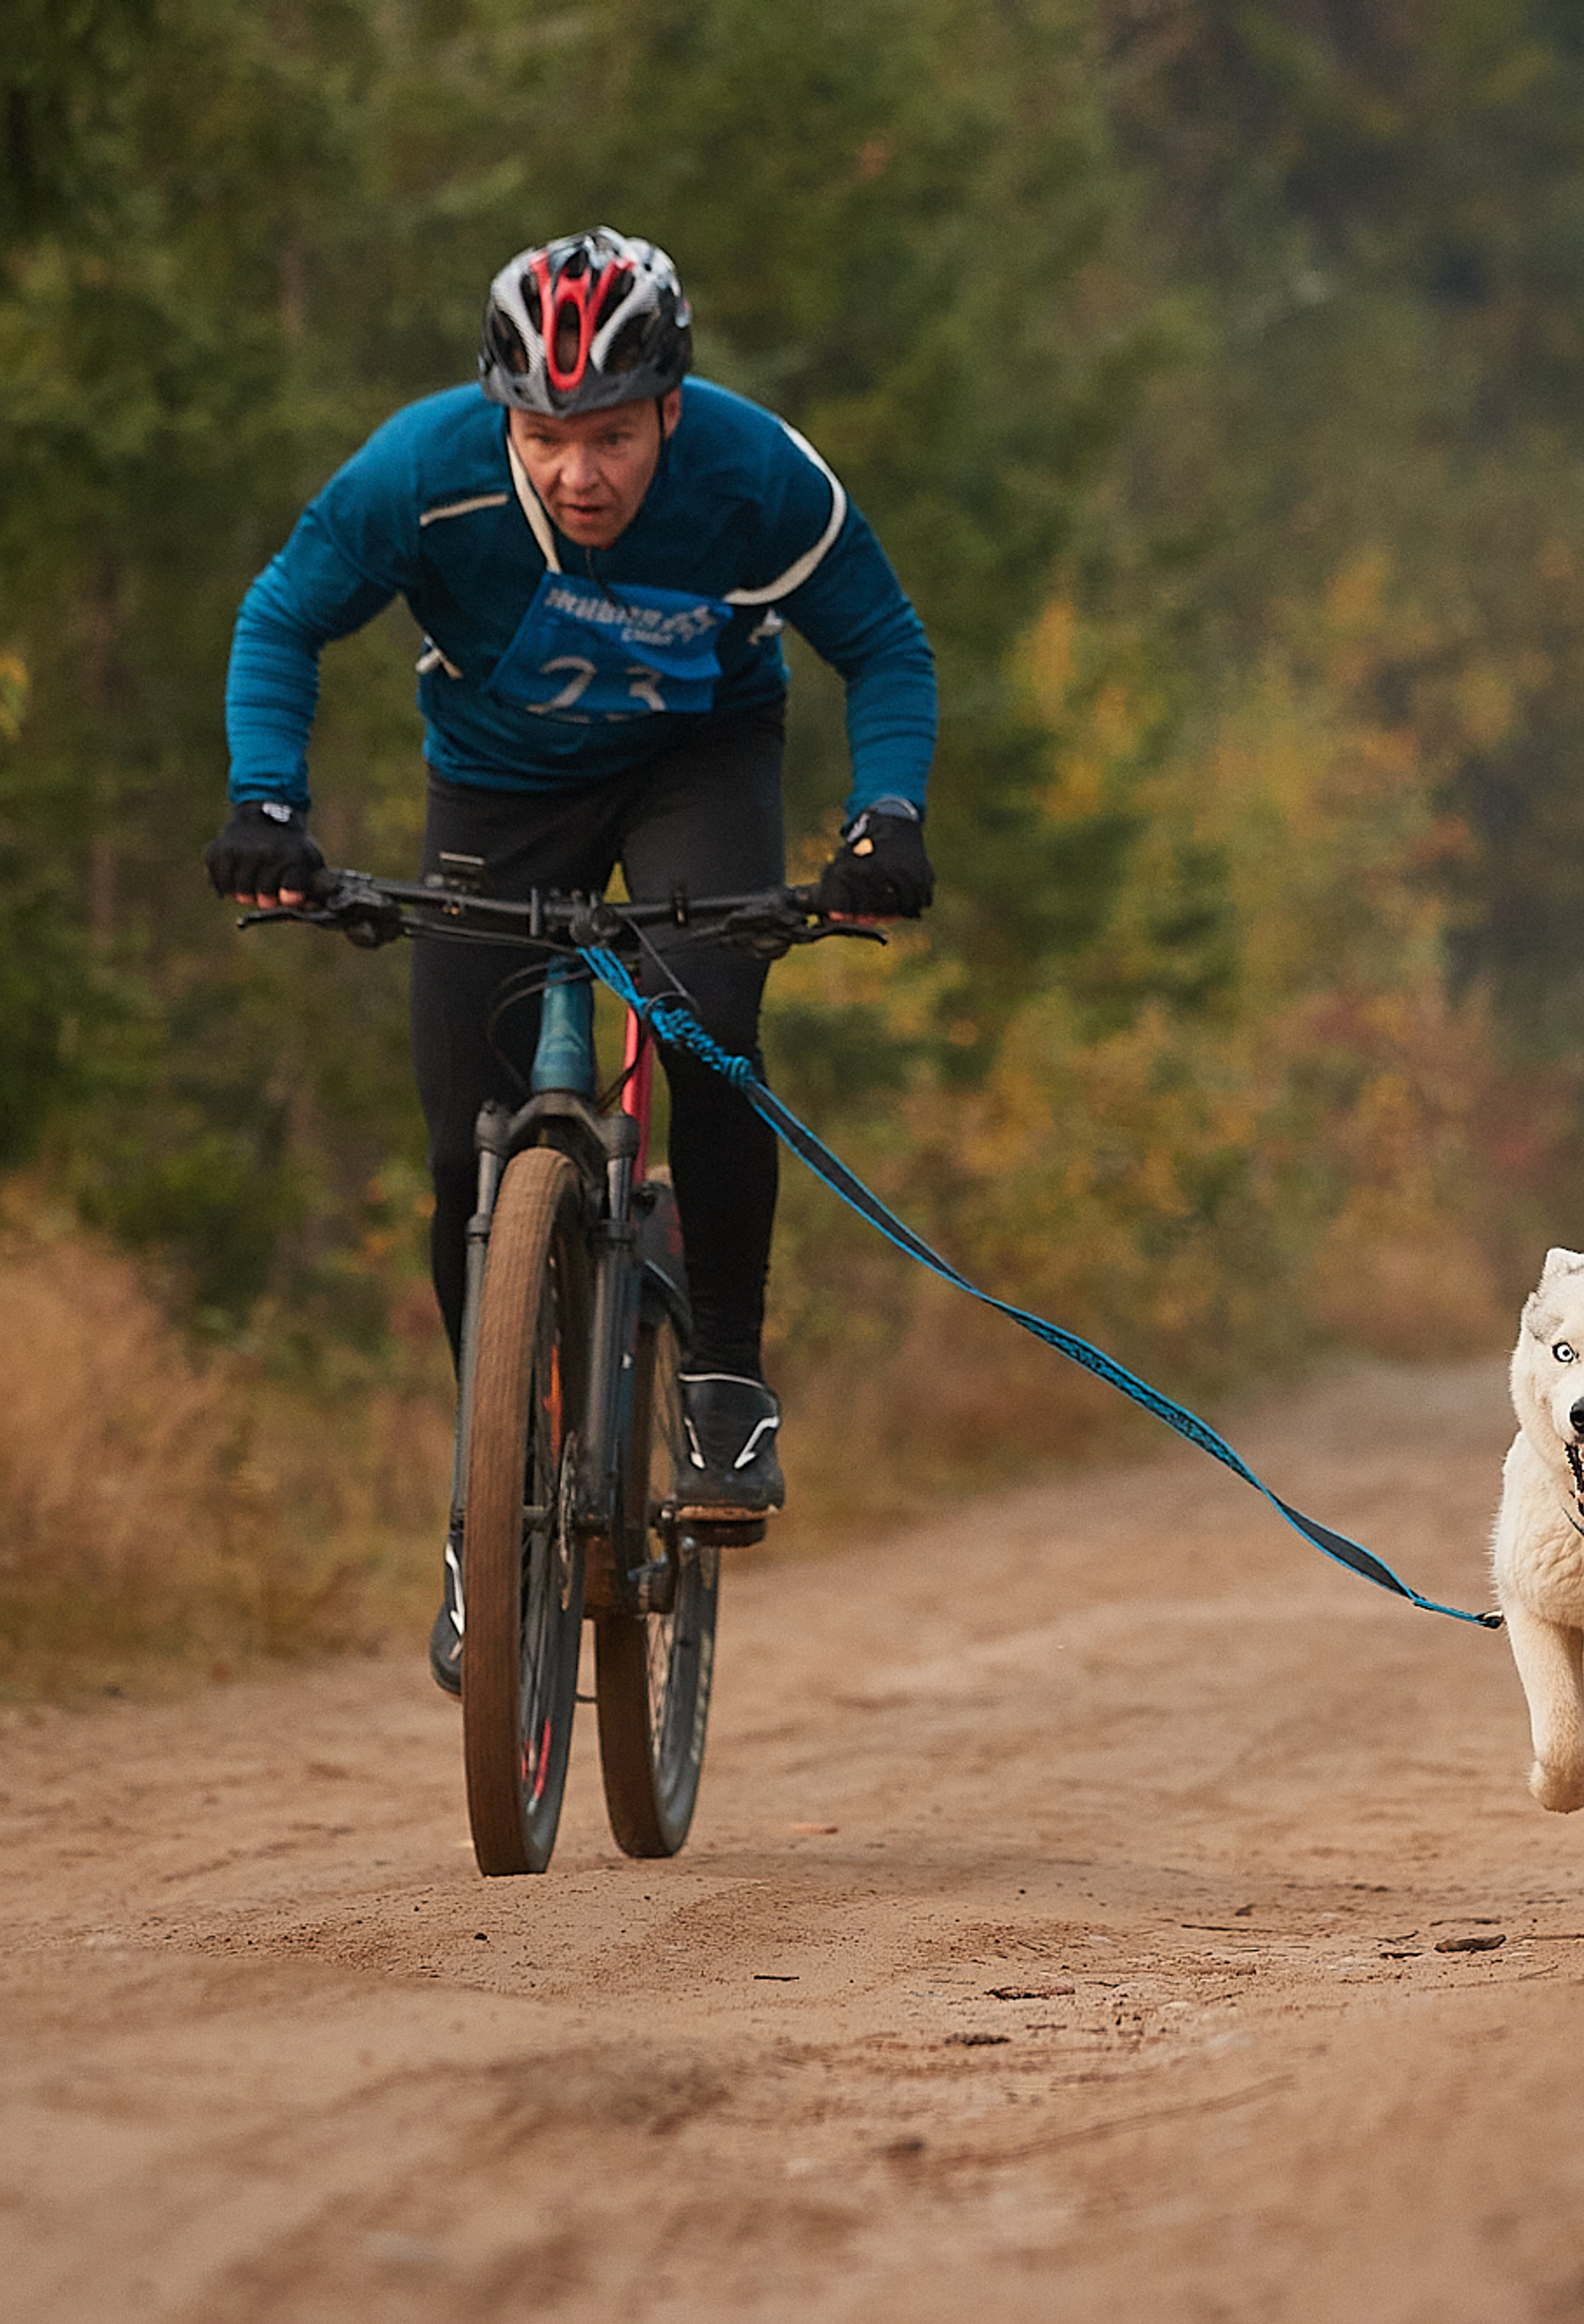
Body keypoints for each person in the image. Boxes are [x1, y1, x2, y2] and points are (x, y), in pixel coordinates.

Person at [205, 228, 938, 1697]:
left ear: (671, 406)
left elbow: (884, 644)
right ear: (505, 420)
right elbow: (285, 613)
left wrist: (886, 819)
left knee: (707, 1018)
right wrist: (267, 801)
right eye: (545, 437)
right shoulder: (422, 474)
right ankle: (496, 1504)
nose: (578, 473)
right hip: (496, 787)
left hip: (699, 767)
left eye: (609, 434)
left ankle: (723, 1377)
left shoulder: (757, 475)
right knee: (459, 1159)